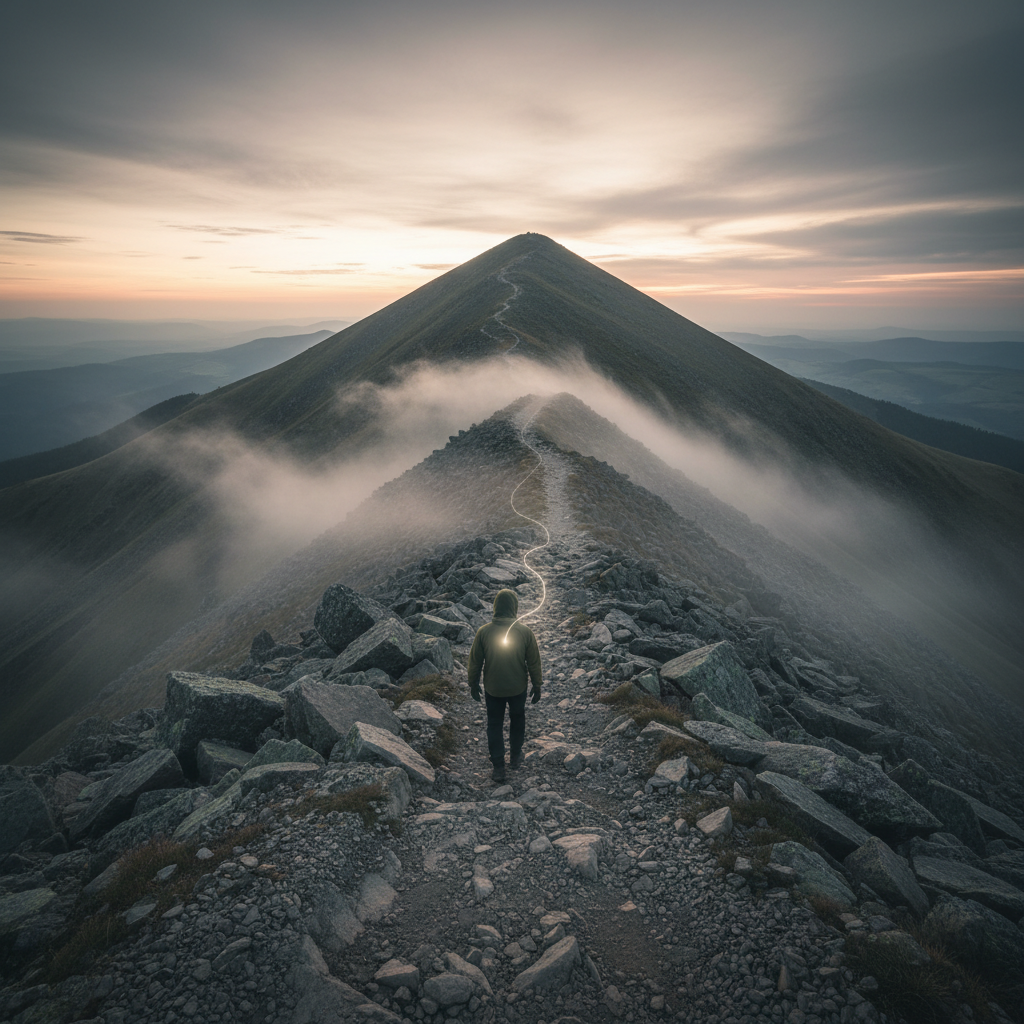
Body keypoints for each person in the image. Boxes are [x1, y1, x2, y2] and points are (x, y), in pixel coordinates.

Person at [467, 588, 542, 782]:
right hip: (518, 688)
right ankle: (515, 757)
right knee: (518, 720)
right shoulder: (525, 632)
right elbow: (533, 662)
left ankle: (499, 767)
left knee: (494, 724)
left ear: (495, 607)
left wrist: (473, 684)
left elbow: (475, 662)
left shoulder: (483, 632)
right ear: (514, 607)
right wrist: (537, 684)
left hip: (494, 688)